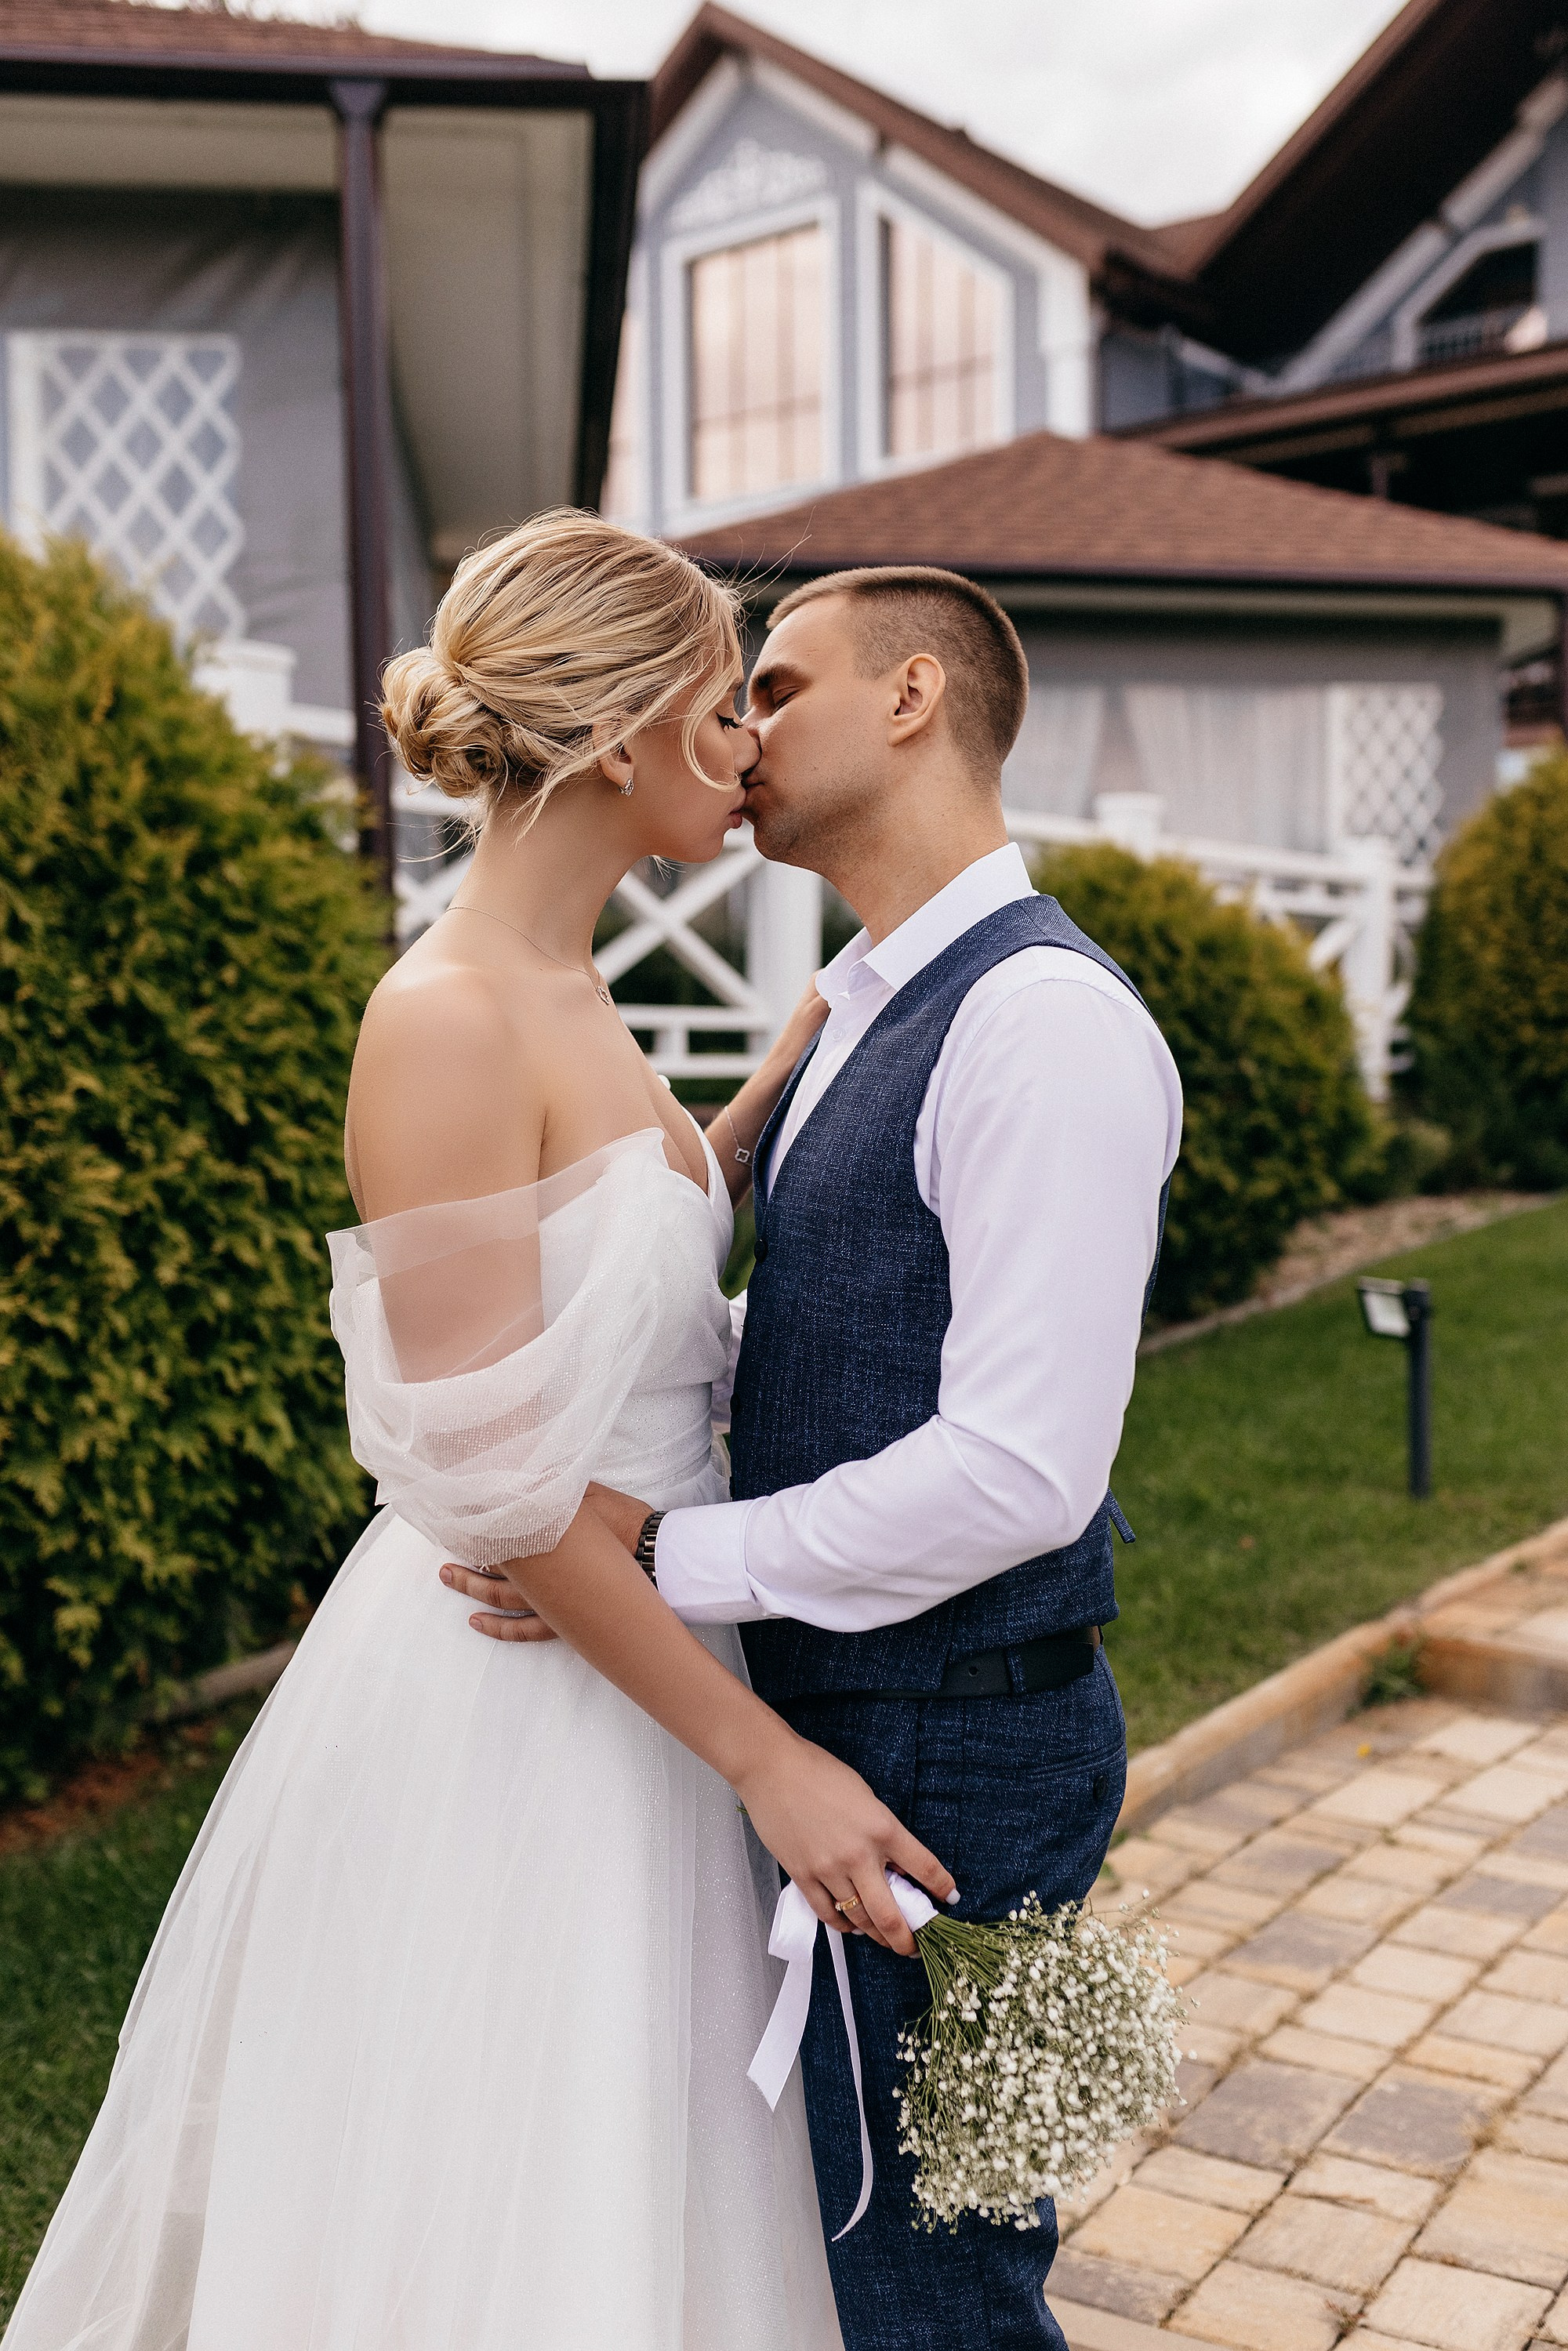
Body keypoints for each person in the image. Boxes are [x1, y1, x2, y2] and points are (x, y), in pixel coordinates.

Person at [5, 514, 960, 2351]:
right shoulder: (444, 1018)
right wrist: (766, 1761)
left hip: (647, 1652)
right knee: (496, 2189)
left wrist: (780, 1081)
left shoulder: (567, 985)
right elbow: (492, 1485)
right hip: (524, 1688)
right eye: (721, 708)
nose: (747, 746)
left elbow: (623, 1256)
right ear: (616, 736)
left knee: (642, 2180)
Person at [447, 564, 1182, 2349]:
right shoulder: (868, 1003)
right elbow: (794, 1304)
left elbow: (1018, 1472)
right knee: (847, 2257)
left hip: (960, 1749)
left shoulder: (1041, 1021)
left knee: (936, 2287)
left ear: (912, 699)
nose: (736, 728)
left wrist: (661, 1556)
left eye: (774, 687)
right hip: (863, 1717)